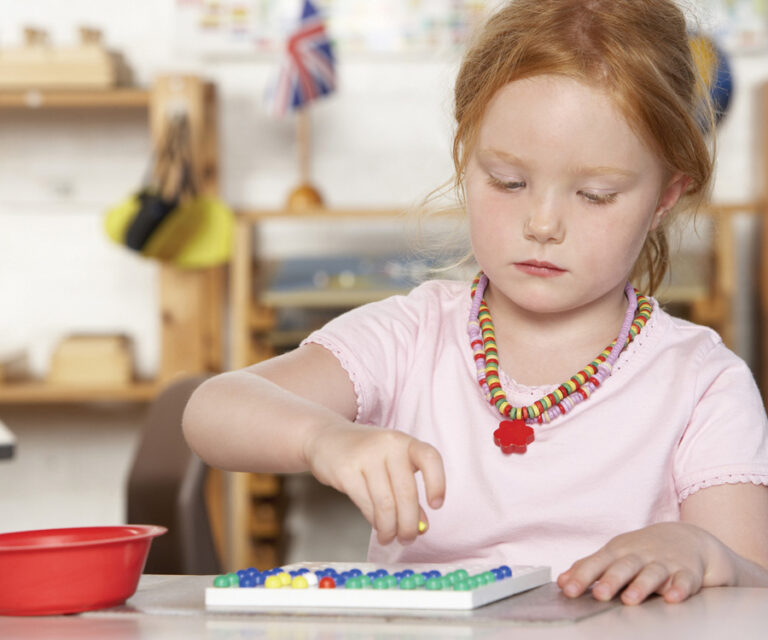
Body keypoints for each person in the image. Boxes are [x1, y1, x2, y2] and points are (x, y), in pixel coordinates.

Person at [183, 0, 768, 605]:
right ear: (467, 159)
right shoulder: (412, 337)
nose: (543, 224)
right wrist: (320, 438)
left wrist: (704, 552)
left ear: (666, 197)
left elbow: (755, 584)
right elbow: (213, 409)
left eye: (596, 194)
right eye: (508, 182)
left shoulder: (702, 382)